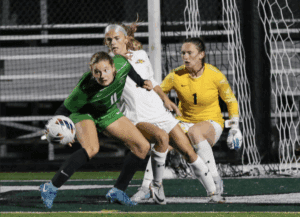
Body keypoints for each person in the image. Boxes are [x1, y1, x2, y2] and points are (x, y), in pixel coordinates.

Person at [104, 23, 223, 204]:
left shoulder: (142, 55)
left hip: (160, 113)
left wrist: (166, 100)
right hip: (138, 118)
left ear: (126, 39)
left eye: (116, 38)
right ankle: (154, 185)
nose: (112, 42)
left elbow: (152, 82)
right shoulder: (109, 65)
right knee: (161, 138)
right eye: (109, 39)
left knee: (188, 152)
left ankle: (214, 194)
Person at [39, 51, 156, 208]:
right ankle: (50, 187)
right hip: (84, 113)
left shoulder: (121, 64)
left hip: (107, 111)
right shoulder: (85, 88)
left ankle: (118, 191)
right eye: (97, 72)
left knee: (143, 147)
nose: (102, 75)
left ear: (113, 68)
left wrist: (141, 82)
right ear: (91, 70)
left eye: (106, 70)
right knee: (92, 148)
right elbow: (62, 111)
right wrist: (60, 130)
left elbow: (129, 68)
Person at [132, 37, 242, 202]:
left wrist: (234, 128)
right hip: (184, 123)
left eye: (190, 53)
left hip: (211, 123)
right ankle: (147, 187)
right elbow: (158, 93)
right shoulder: (176, 75)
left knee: (194, 132)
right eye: (183, 53)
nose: (185, 56)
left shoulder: (215, 75)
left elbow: (231, 101)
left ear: (201, 55)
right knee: (161, 142)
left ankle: (215, 180)